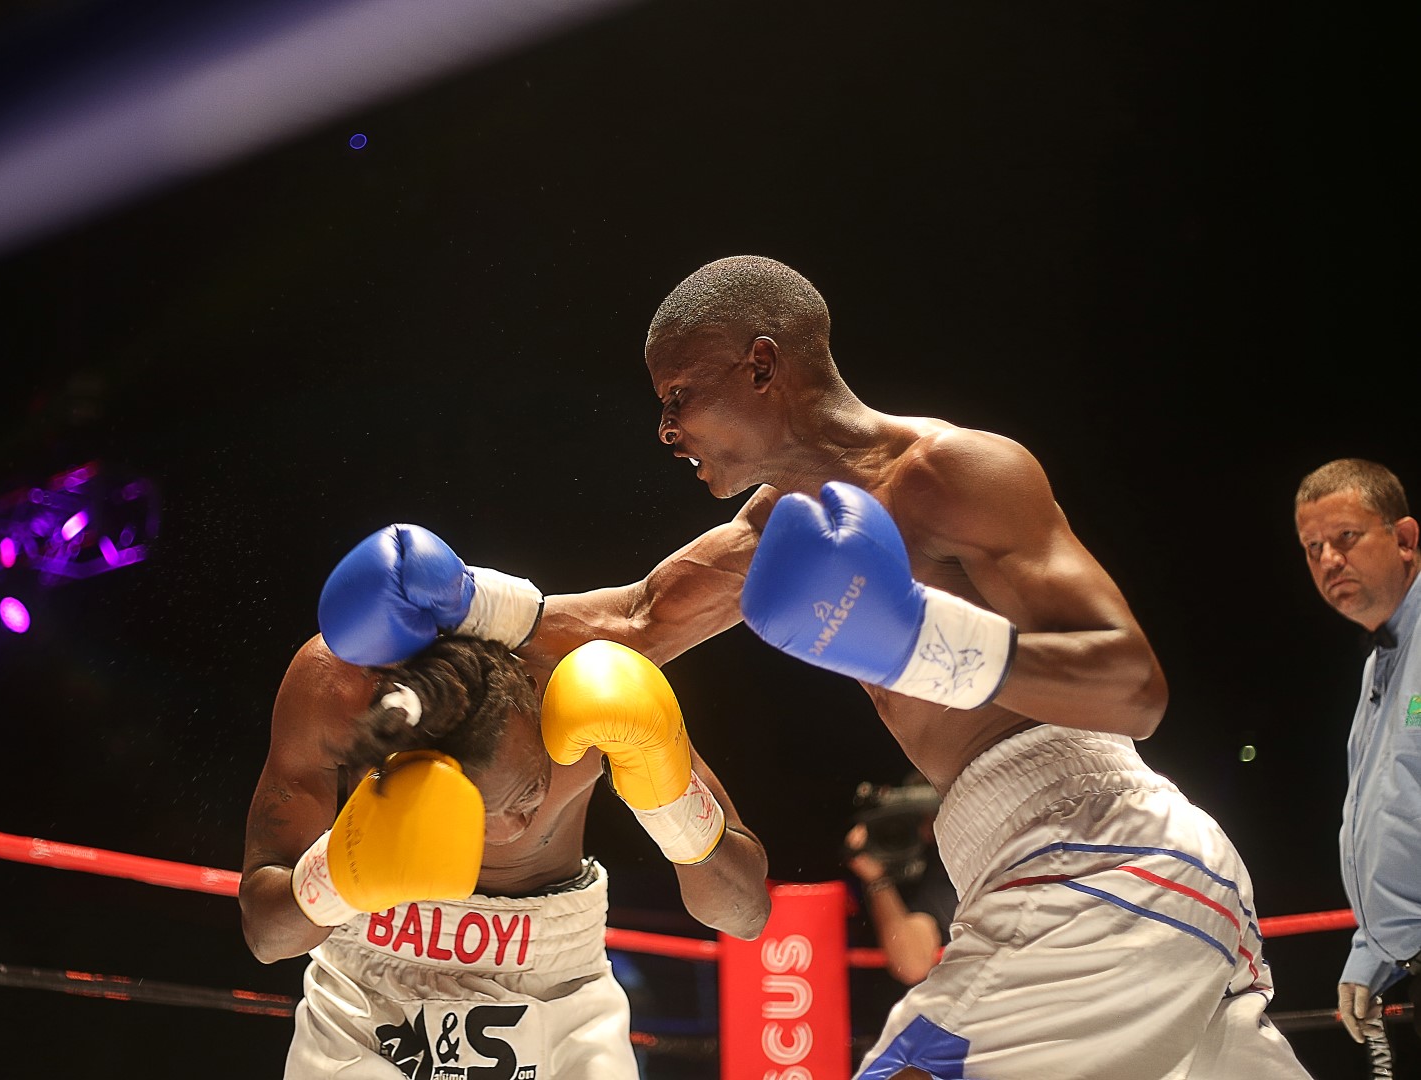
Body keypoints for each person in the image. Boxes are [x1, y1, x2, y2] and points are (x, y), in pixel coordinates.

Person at [508, 255, 1312, 1078]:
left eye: (678, 394)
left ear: (761, 365)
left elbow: (1133, 689)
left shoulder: (950, 473)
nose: (666, 429)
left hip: (1099, 859)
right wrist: (470, 604)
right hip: (1073, 876)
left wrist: (919, 643)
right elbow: (637, 620)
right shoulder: (778, 531)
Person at [238, 524, 771, 1079]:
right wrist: (337, 875)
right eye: (473, 820)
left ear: (536, 700)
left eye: (527, 793)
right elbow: (266, 936)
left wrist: (673, 806)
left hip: (562, 989)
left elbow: (745, 914)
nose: (513, 827)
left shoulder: (587, 676)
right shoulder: (336, 690)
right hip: (364, 992)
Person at [1293, 458, 1421, 1048]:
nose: (1329, 559)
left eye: (1346, 536)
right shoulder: (1380, 664)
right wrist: (1372, 951)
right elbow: (1392, 811)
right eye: (1313, 547)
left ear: (1405, 539)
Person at [842, 772, 954, 988]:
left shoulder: (994, 854)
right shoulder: (925, 876)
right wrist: (878, 881)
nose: (928, 827)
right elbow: (912, 965)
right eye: (921, 818)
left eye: (937, 812)